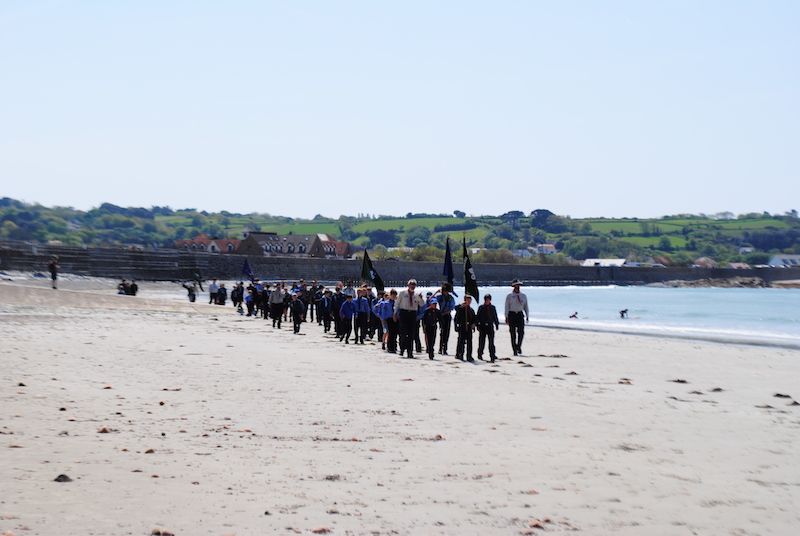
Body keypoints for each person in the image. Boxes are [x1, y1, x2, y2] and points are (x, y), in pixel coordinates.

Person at [394, 279, 424, 359]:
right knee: (403, 333)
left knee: (411, 334)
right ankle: (402, 349)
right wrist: (395, 313)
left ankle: (410, 352)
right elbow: (397, 304)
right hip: (404, 313)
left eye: (414, 285)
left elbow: (421, 304)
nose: (413, 286)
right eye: (411, 284)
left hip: (412, 314)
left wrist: (421, 298)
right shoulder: (402, 293)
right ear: (408, 285)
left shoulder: (417, 294)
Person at [504, 279, 529, 356]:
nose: (517, 287)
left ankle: (518, 346)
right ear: (513, 286)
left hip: (520, 314)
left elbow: (526, 306)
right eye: (516, 285)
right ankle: (514, 350)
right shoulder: (509, 296)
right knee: (513, 334)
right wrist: (506, 316)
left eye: (518, 285)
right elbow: (506, 307)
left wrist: (527, 315)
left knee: (521, 332)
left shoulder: (523, 296)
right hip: (512, 314)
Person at [477, 294, 500, 362]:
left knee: (491, 342)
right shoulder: (481, 307)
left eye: (488, 299)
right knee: (482, 342)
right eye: (486, 300)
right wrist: (477, 325)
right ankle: (480, 354)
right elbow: (477, 317)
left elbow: (495, 316)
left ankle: (492, 355)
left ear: (490, 300)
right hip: (482, 326)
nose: (487, 301)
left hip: (490, 326)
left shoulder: (493, 307)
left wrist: (497, 324)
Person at [454, 295, 477, 361]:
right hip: (462, 327)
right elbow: (456, 314)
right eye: (467, 300)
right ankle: (460, 354)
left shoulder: (471, 310)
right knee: (461, 341)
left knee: (469, 342)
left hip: (469, 328)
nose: (469, 302)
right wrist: (456, 326)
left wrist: (474, 324)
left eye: (470, 301)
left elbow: (474, 319)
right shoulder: (460, 308)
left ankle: (469, 356)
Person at [437, 283, 456, 355]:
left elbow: (452, 307)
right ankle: (440, 348)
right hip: (440, 316)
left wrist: (445, 312)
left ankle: (445, 349)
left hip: (447, 316)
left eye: (446, 291)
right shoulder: (439, 297)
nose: (445, 292)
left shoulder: (451, 298)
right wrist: (436, 292)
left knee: (447, 333)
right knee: (442, 332)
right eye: (444, 291)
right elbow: (432, 300)